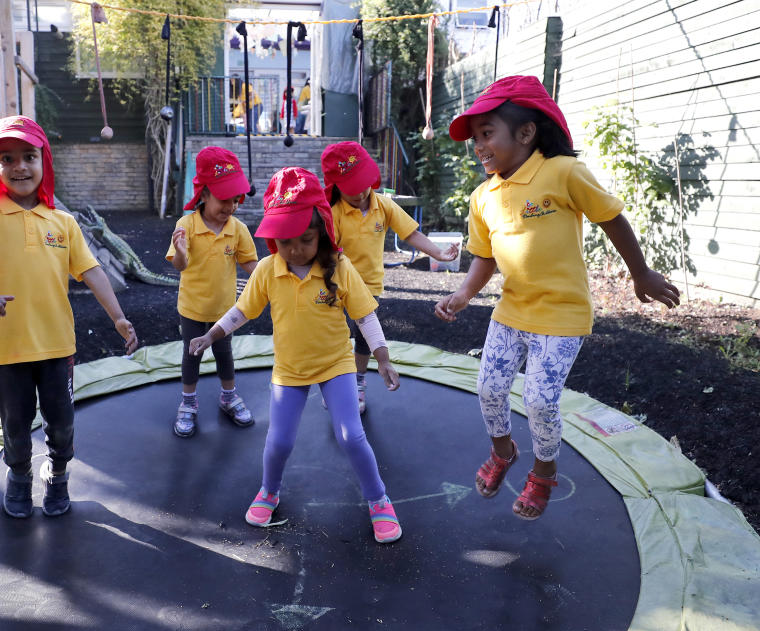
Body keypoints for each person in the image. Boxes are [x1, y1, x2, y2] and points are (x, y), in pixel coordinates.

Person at [434, 76, 681, 520]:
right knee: (488, 388)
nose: (478, 146)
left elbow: (612, 218)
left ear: (526, 132)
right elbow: (484, 257)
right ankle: (503, 451)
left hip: (563, 314)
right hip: (511, 312)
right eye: (475, 139)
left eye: (487, 133)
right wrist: (463, 295)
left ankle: (544, 471)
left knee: (541, 401)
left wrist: (640, 272)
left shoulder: (562, 172)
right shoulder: (482, 196)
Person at [189, 167, 403, 544]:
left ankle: (379, 499)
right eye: (285, 241)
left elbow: (365, 315)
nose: (295, 249)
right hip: (289, 370)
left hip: (336, 365)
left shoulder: (339, 268)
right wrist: (211, 334)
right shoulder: (270, 270)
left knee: (351, 436)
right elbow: (241, 311)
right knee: (279, 442)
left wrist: (383, 358)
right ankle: (269, 491)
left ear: (322, 232)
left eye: (305, 239)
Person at [0, 115, 138, 519]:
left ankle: (59, 473)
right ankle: (18, 477)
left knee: (62, 420)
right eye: (7, 158)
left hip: (56, 345)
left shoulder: (61, 222)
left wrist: (118, 317)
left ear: (43, 161)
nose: (19, 167)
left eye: (29, 156)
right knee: (15, 423)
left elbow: (92, 271)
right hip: (9, 346)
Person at [321, 141, 458, 414]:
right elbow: (325, 252)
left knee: (363, 338)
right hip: (336, 285)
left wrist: (439, 254)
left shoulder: (382, 205)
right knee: (335, 337)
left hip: (369, 286)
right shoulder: (333, 213)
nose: (361, 192)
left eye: (364, 183)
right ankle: (336, 385)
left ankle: (358, 382)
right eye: (352, 187)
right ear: (336, 186)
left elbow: (411, 233)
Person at [166, 146, 258, 438]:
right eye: (223, 199)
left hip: (224, 310)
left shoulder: (238, 229)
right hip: (192, 307)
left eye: (234, 199)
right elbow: (180, 266)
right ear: (203, 195)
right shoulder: (187, 225)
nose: (229, 206)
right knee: (191, 355)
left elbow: (249, 264)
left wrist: (269, 277)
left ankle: (228, 396)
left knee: (224, 352)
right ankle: (188, 403)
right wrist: (180, 251)